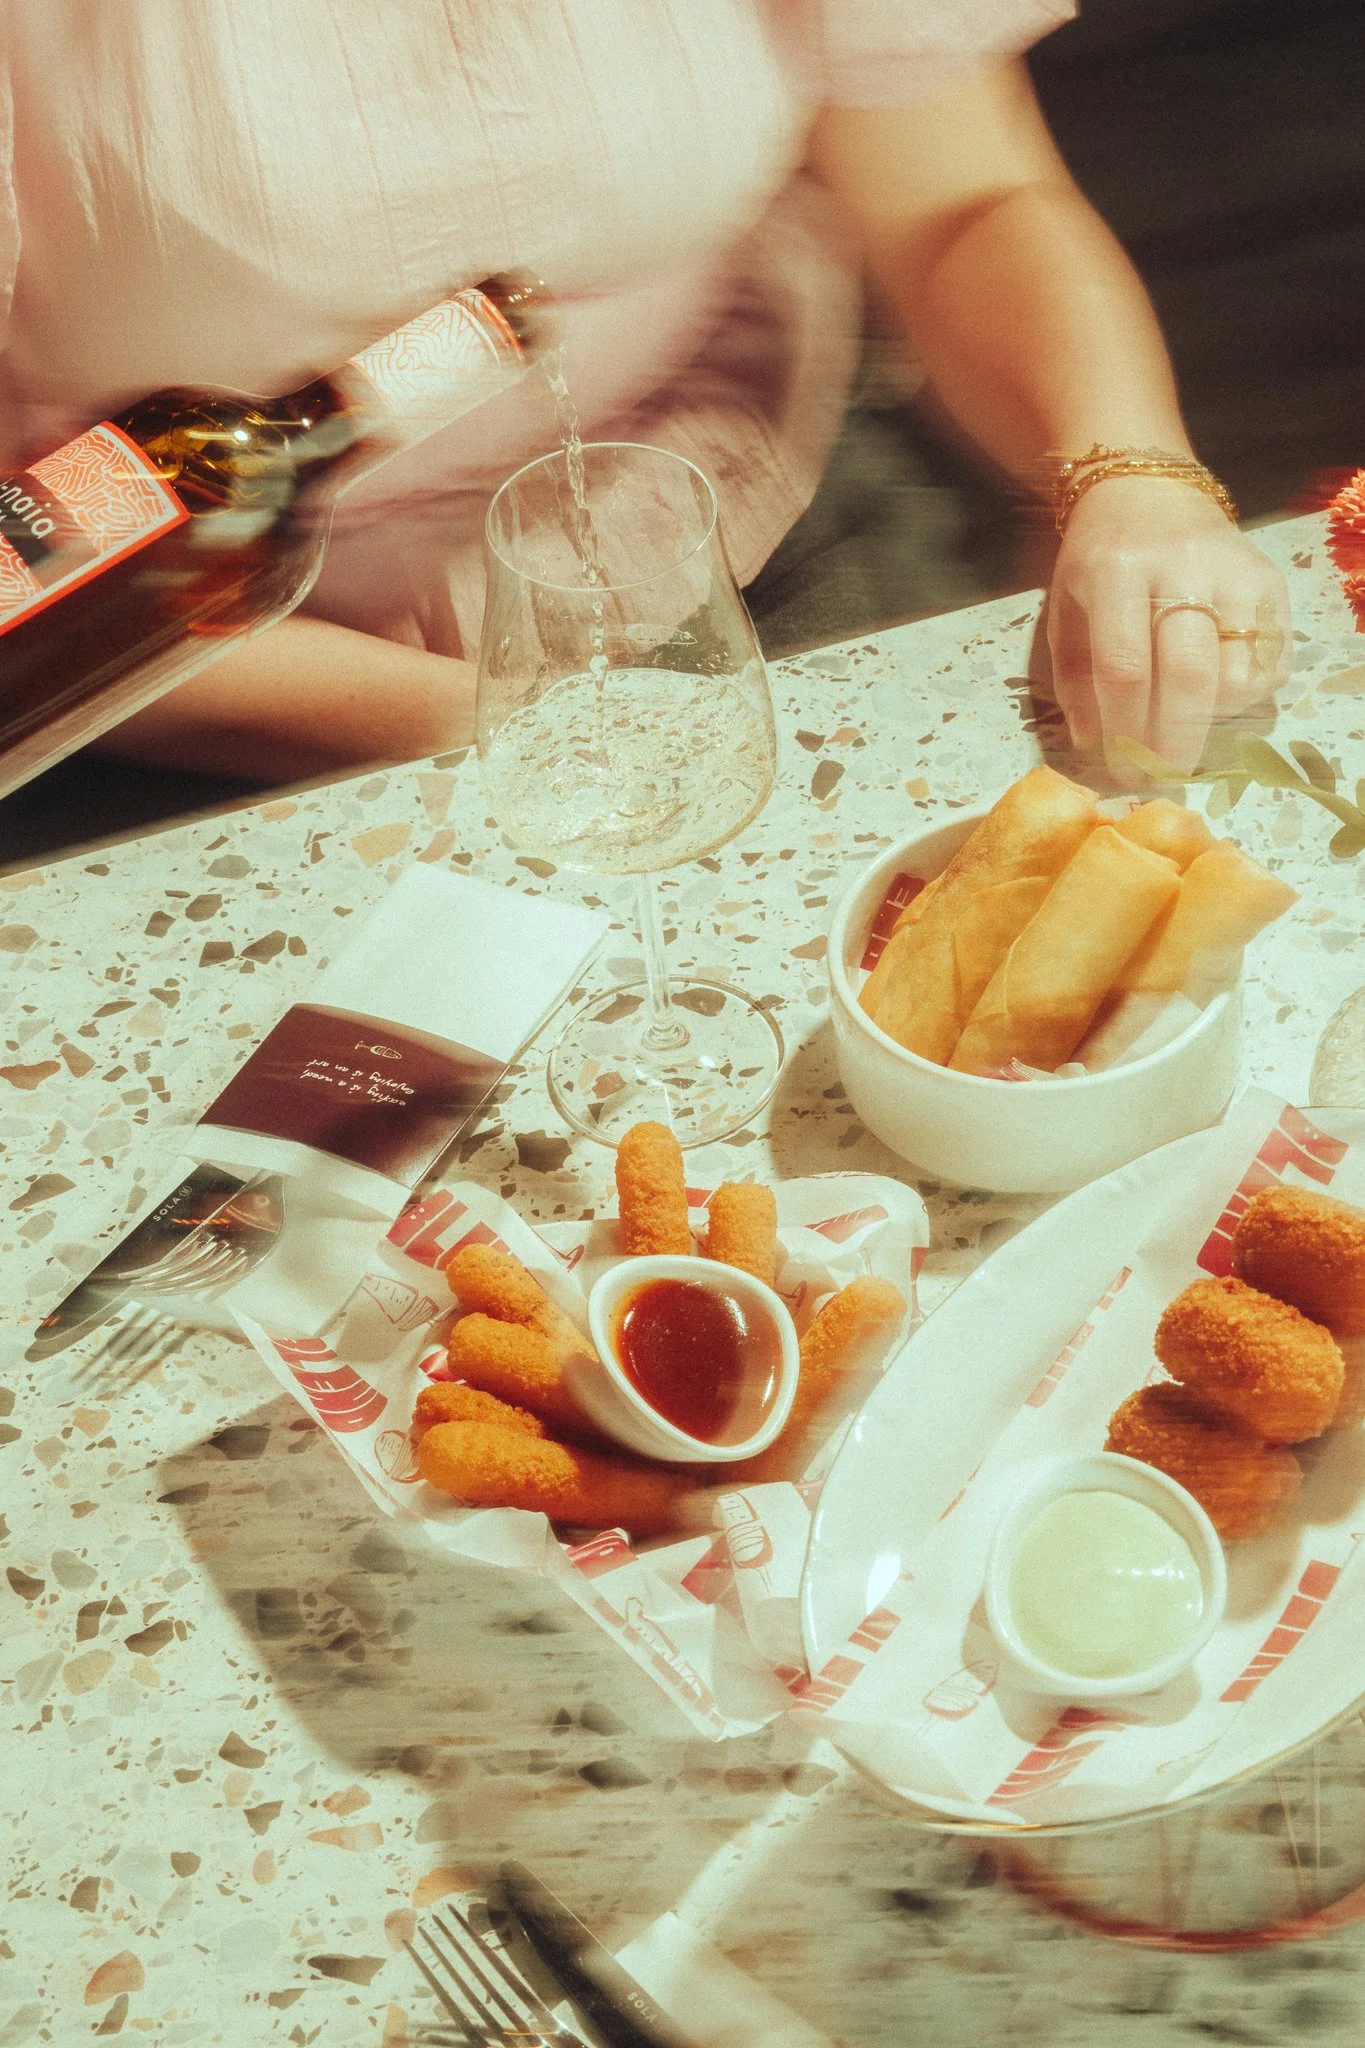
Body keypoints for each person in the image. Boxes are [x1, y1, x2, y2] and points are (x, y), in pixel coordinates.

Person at [0, 0, 1289, 783]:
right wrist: (501, 727)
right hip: (194, 680)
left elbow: (964, 202)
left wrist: (1131, 478)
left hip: (754, 519)